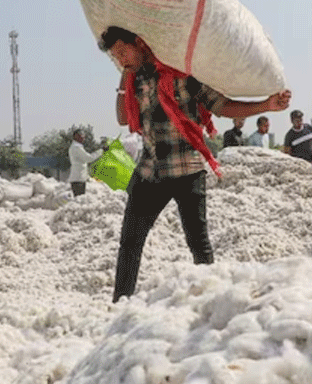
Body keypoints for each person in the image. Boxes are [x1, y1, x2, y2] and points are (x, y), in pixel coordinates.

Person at [99, 26, 292, 302]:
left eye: (122, 52)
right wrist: (123, 76)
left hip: (187, 171)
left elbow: (221, 106)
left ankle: (212, 302)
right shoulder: (134, 79)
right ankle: (120, 303)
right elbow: (122, 118)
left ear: (140, 42)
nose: (121, 59)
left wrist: (265, 105)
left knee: (199, 244)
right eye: (116, 56)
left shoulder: (181, 75)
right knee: (130, 241)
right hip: (150, 171)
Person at [68, 131, 104, 197]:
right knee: (79, 199)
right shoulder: (76, 147)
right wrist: (101, 151)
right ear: (76, 136)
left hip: (79, 178)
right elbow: (88, 158)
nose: (83, 138)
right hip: (78, 179)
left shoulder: (76, 147)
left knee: (79, 199)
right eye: (82, 136)